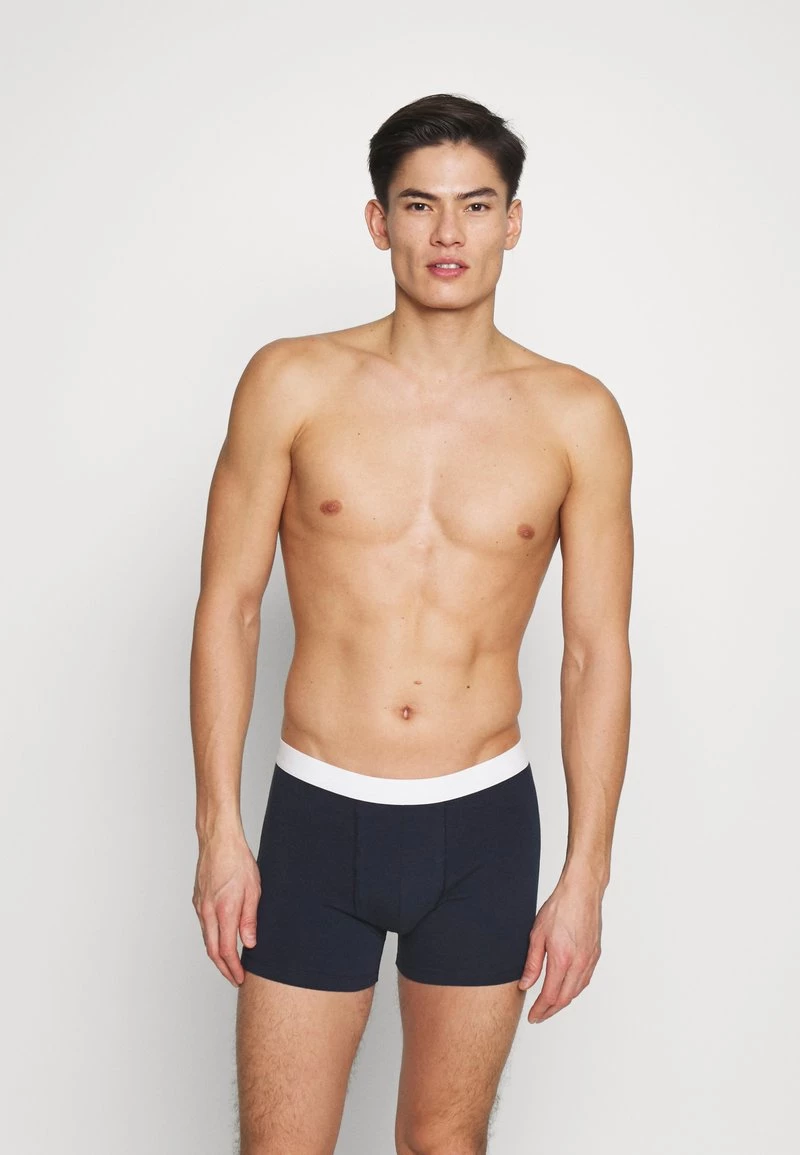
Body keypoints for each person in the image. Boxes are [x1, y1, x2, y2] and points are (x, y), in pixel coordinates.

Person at [190, 92, 633, 1155]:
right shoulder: (291, 382)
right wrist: (218, 831)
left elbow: (593, 655)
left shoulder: (576, 415)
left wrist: (586, 875)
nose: (447, 233)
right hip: (317, 816)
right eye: (419, 204)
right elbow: (229, 608)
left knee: (443, 1143)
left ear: (511, 222)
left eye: (475, 205)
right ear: (377, 220)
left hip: (482, 826)